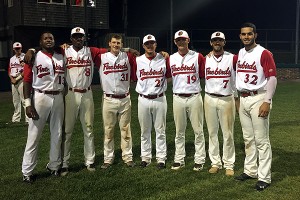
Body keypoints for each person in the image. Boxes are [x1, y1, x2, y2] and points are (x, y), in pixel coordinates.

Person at [234, 22, 277, 191]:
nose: (246, 37)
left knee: (261, 140)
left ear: (255, 35)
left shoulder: (263, 53)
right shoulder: (240, 53)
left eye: (249, 34)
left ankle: (264, 177)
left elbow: (272, 78)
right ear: (240, 36)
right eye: (243, 34)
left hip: (259, 97)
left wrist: (267, 100)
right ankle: (250, 170)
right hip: (243, 98)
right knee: (248, 138)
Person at [60, 27, 107, 176]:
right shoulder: (64, 51)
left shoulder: (91, 51)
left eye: (81, 36)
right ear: (71, 38)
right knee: (67, 131)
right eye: (76, 36)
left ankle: (90, 161)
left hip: (87, 94)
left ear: (84, 38)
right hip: (71, 94)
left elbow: (112, 50)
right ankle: (64, 164)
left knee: (89, 129)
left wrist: (129, 49)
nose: (78, 38)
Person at [21, 32, 65, 183]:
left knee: (57, 133)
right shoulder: (33, 56)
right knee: (34, 135)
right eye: (45, 38)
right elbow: (26, 81)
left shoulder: (61, 55)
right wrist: (28, 104)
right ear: (40, 42)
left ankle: (54, 166)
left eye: (51, 38)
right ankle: (27, 171)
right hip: (40, 96)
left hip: (58, 96)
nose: (49, 40)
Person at [168, 30, 206, 171]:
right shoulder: (170, 58)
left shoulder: (198, 57)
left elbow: (203, 74)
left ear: (188, 40)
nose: (181, 42)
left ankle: (200, 159)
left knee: (198, 130)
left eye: (183, 39)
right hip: (177, 97)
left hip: (194, 96)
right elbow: (166, 75)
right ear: (175, 42)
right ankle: (179, 159)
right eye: (178, 40)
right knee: (179, 131)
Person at [132, 34, 170, 169]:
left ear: (155, 44)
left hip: (159, 98)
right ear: (143, 46)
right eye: (147, 43)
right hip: (143, 99)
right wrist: (128, 50)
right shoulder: (137, 60)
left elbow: (170, 76)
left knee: (160, 130)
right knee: (144, 131)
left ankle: (161, 159)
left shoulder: (164, 58)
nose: (149, 45)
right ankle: (146, 158)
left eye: (152, 43)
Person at [99, 33, 136, 169]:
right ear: (109, 43)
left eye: (118, 43)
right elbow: (89, 50)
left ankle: (128, 157)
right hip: (108, 98)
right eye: (114, 42)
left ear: (122, 45)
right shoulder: (102, 57)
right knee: (108, 131)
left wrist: (128, 50)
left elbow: (141, 55)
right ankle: (108, 158)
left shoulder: (127, 56)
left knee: (126, 130)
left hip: (125, 98)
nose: (116, 45)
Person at [204, 32, 238, 176]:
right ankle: (215, 162)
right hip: (209, 98)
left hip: (226, 98)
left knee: (228, 133)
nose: (217, 42)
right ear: (211, 43)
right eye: (214, 40)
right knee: (212, 132)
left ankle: (229, 163)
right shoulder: (205, 59)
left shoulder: (232, 58)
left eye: (220, 40)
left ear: (224, 42)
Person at [8, 42, 29, 124]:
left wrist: (17, 79)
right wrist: (11, 78)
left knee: (24, 100)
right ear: (13, 49)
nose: (18, 50)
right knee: (15, 101)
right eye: (16, 49)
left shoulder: (25, 57)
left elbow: (26, 70)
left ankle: (28, 119)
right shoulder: (12, 59)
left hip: (21, 80)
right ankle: (16, 119)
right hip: (13, 80)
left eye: (19, 48)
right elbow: (9, 70)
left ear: (21, 48)